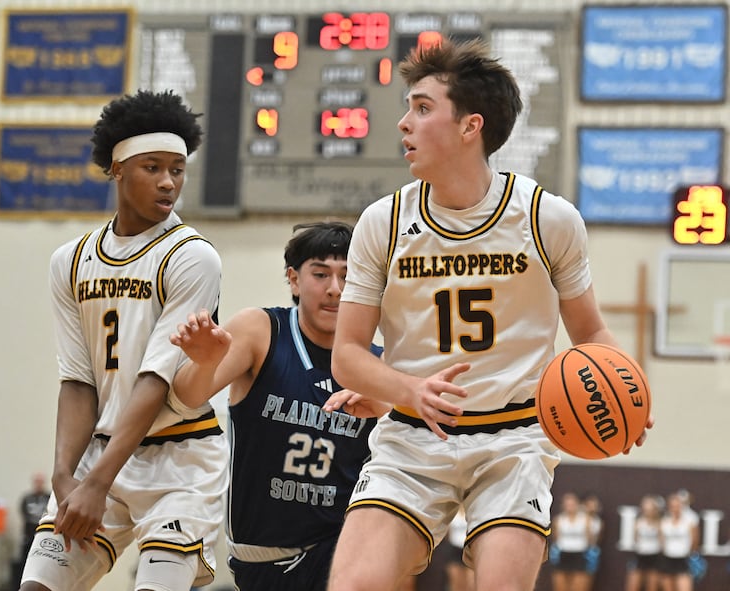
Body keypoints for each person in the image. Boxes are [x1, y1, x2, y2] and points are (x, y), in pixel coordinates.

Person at [325, 37, 652, 591]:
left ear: (470, 126)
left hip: (515, 440)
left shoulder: (549, 219)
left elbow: (590, 331)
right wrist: (409, 390)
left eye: (423, 107)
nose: (404, 122)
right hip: (411, 438)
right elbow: (349, 355)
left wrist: (629, 390)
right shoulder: (382, 223)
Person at [19, 89, 228, 591]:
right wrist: (64, 476)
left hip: (180, 458)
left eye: (177, 169)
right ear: (116, 169)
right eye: (152, 167)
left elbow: (155, 379)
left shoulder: (192, 257)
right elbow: (77, 380)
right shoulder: (70, 260)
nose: (168, 182)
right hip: (101, 455)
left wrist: (96, 483)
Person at [169, 222, 386, 591]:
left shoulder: (378, 362)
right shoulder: (261, 330)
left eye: (348, 277)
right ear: (294, 279)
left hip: (338, 546)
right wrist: (204, 362)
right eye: (321, 274)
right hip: (261, 558)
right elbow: (185, 399)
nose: (335, 289)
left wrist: (389, 406)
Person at [550, 492, 596, 591]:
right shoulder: (558, 520)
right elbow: (556, 538)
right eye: (567, 504)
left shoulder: (586, 519)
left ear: (578, 505)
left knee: (579, 587)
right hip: (563, 555)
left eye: (572, 504)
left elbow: (591, 539)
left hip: (580, 555)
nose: (570, 507)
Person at [13, 473, 50, 586]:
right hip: (28, 536)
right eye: (36, 482)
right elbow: (24, 514)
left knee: (43, 563)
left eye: (40, 482)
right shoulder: (27, 498)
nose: (38, 484)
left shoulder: (49, 497)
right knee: (24, 562)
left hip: (43, 535)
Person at [659, 492, 699, 591]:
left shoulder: (689, 521)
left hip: (683, 559)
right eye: (673, 506)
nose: (675, 508)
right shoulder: (664, 521)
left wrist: (688, 553)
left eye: (678, 505)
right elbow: (661, 540)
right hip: (668, 559)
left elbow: (695, 540)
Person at [625, 494, 663, 591]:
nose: (647, 509)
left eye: (650, 507)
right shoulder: (638, 522)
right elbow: (635, 539)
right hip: (640, 556)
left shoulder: (660, 523)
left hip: (654, 557)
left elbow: (662, 542)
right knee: (632, 585)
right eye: (645, 506)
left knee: (652, 586)